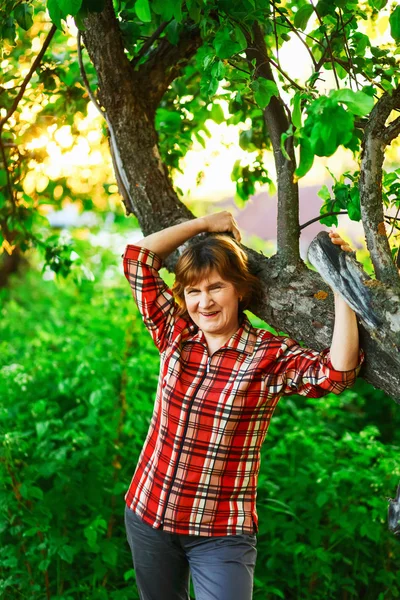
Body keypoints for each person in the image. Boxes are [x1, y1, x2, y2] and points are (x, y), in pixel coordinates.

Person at [121, 211, 365, 600]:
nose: (204, 303)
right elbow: (138, 256)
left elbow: (337, 373)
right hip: (149, 513)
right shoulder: (175, 333)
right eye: (193, 292)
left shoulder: (267, 355)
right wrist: (205, 224)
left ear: (237, 288)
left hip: (220, 532)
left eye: (215, 287)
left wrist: (340, 285)